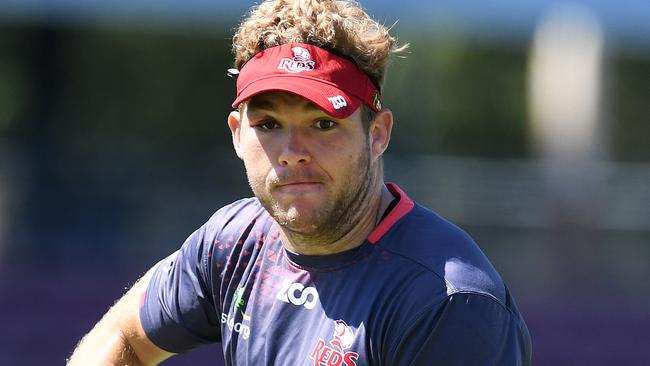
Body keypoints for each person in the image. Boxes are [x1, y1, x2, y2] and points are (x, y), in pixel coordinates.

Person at [68, 0, 532, 365]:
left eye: (323, 124)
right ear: (237, 135)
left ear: (377, 135)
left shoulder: (445, 302)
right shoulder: (233, 244)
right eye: (268, 124)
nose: (292, 150)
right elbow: (121, 338)